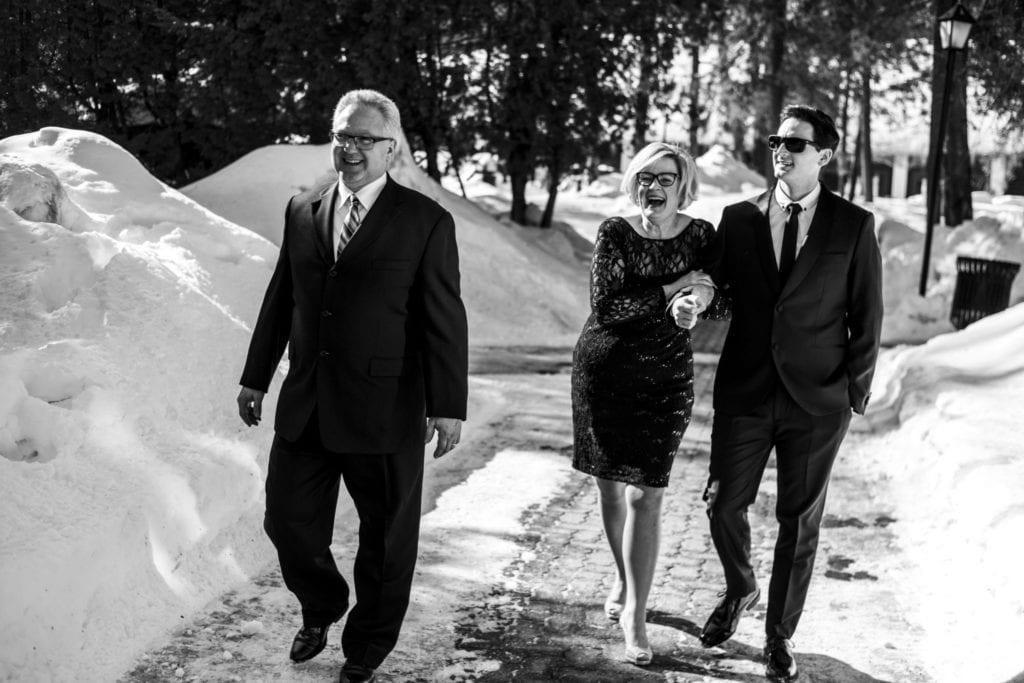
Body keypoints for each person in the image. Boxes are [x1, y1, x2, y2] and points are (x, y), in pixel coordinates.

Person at [236, 89, 468, 683]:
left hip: (387, 409)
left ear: (391, 149)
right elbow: (281, 297)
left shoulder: (425, 221)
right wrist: (255, 377)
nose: (351, 148)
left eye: (365, 138)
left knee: (387, 544)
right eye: (342, 135)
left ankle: (365, 650)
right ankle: (322, 605)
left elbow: (443, 316)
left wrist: (447, 405)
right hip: (308, 402)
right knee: (286, 520)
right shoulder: (302, 209)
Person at [672, 105, 882, 682]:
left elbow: (868, 314)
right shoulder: (738, 218)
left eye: (795, 142)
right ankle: (741, 586)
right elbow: (714, 284)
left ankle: (779, 636)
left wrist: (852, 394)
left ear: (825, 155)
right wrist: (695, 298)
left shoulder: (853, 225)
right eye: (776, 140)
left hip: (818, 400)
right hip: (746, 389)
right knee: (722, 503)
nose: (782, 150)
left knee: (799, 521)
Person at [571, 142, 716, 667]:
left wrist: (694, 302)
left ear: (684, 185)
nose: (653, 188)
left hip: (666, 378)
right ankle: (624, 573)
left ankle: (635, 610)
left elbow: (719, 295)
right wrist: (671, 286)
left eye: (666, 179)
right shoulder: (615, 231)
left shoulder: (701, 235)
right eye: (645, 178)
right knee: (611, 490)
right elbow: (607, 307)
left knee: (645, 496)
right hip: (605, 371)